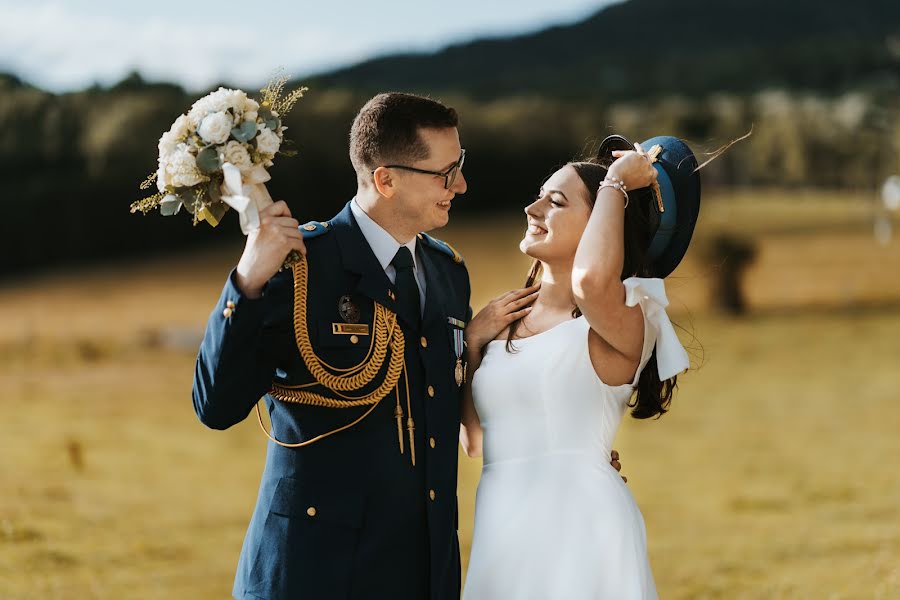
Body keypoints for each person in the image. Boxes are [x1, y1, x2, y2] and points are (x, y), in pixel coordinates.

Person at [192, 92, 471, 600]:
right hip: (312, 571)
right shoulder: (297, 265)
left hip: (421, 570)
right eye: (445, 172)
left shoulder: (449, 273)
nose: (461, 185)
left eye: (460, 166)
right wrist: (248, 279)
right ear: (385, 179)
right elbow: (215, 406)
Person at [459, 135, 699, 599]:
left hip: (583, 530)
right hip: (503, 529)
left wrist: (615, 183)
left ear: (602, 225)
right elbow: (475, 441)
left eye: (555, 202)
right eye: (538, 198)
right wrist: (472, 346)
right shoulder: (501, 323)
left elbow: (590, 282)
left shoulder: (629, 317)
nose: (533, 209)